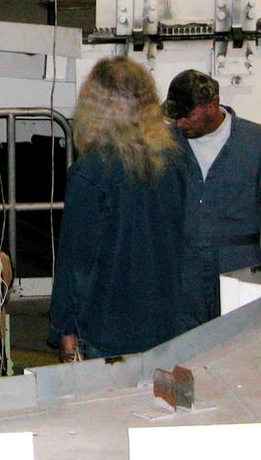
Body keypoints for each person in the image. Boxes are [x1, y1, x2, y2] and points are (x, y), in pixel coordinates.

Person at [48, 57, 186, 360]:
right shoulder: (175, 159)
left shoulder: (90, 173)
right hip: (168, 319)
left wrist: (64, 328)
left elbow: (76, 262)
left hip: (111, 326)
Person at [164, 69, 261, 330]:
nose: (180, 123)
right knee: (180, 348)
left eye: (187, 115)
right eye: (176, 116)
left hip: (239, 267)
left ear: (211, 106)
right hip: (181, 268)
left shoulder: (256, 143)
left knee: (239, 345)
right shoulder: (164, 145)